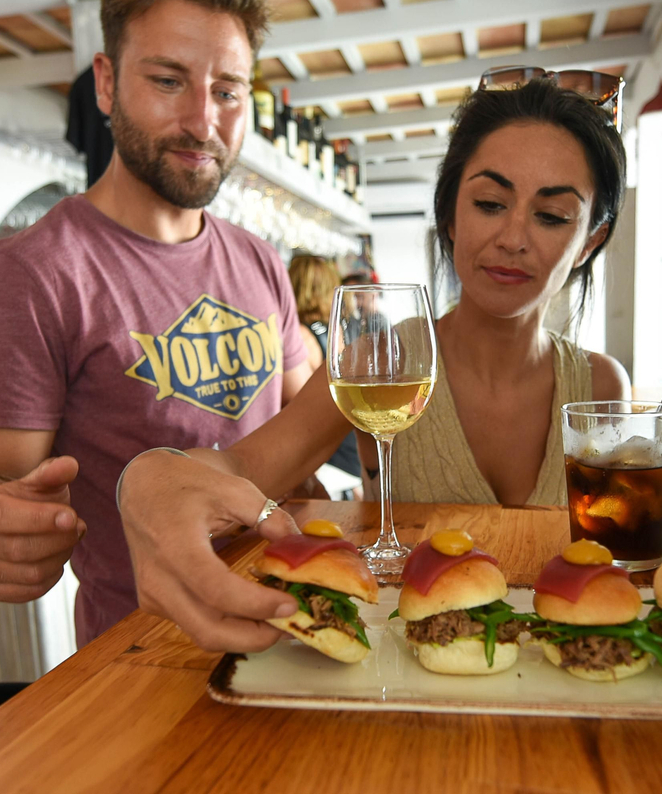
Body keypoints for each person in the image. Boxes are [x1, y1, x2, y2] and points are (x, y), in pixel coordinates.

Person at [117, 78, 630, 652]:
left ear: (591, 240)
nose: (513, 238)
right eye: (490, 204)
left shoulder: (602, 386)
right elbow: (240, 465)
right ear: (450, 216)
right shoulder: (376, 363)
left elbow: (618, 553)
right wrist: (152, 476)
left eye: (553, 215)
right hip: (405, 670)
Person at [0, 0, 312, 644]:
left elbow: (310, 405)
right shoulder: (32, 272)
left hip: (288, 626)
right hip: (140, 654)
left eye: (227, 91)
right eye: (168, 81)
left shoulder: (260, 260)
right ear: (107, 84)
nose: (202, 121)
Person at [287, 254, 363, 480]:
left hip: (327, 455)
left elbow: (302, 410)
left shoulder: (300, 336)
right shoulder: (343, 327)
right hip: (352, 442)